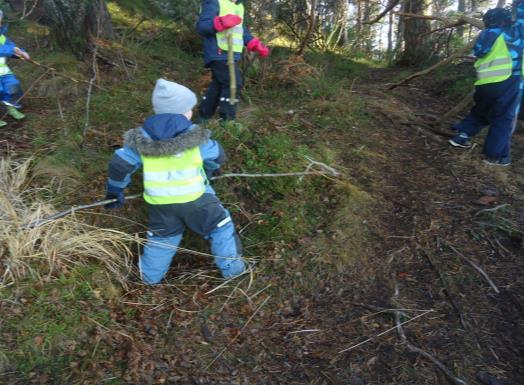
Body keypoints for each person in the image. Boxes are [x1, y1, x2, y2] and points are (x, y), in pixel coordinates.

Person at [105, 79, 246, 284]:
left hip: (160, 204)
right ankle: (234, 273)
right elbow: (217, 155)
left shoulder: (141, 140)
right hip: (197, 200)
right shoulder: (197, 138)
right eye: (190, 109)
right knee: (220, 227)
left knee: (161, 242)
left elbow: (120, 164)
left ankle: (148, 281)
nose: (191, 112)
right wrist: (211, 171)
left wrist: (114, 191)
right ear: (183, 113)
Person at [449, 2, 524, 166]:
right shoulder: (511, 34)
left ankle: (461, 136)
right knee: (503, 118)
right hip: (507, 81)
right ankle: (495, 156)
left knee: (480, 112)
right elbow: (522, 19)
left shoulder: (485, 35)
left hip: (484, 83)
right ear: (504, 21)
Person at [196, 0, 269, 122]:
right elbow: (202, 26)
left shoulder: (239, 7)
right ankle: (228, 120)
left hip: (232, 55)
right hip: (218, 53)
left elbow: (241, 31)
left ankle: (204, 116)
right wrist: (221, 22)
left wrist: (254, 43)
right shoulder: (214, 2)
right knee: (234, 83)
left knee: (218, 85)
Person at [0, 9, 29, 127]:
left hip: (3, 70)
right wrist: (12, 51)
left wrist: (21, 53)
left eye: (0, 22)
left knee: (13, 86)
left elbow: (10, 46)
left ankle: (11, 108)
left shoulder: (1, 36)